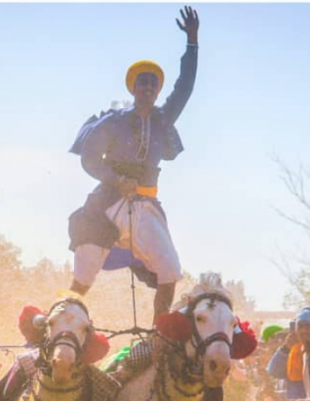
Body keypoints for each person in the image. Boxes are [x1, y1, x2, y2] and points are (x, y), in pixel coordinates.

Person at [67, 6, 199, 321]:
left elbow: (185, 88)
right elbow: (88, 160)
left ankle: (160, 333)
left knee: (170, 270)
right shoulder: (113, 122)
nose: (149, 88)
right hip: (108, 204)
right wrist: (115, 180)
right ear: (133, 88)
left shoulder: (163, 118)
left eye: (154, 84)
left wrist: (192, 43)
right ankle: (62, 324)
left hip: (146, 205)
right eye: (143, 83)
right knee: (84, 275)